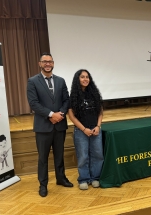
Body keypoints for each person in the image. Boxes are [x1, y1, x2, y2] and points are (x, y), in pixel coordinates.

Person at [27, 52, 73, 197]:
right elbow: (33, 103)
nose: (48, 64)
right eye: (45, 61)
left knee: (59, 155)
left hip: (59, 125)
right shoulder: (33, 81)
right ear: (40, 64)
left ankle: (61, 178)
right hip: (43, 127)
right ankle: (43, 184)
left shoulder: (61, 80)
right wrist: (50, 115)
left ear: (53, 63)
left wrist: (60, 114)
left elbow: (67, 100)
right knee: (43, 158)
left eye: (50, 61)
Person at [68, 69, 104, 190]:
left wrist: (98, 126)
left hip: (95, 130)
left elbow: (100, 112)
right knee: (83, 156)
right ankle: (83, 179)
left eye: (87, 77)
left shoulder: (94, 94)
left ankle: (95, 178)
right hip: (81, 132)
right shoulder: (73, 96)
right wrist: (84, 129)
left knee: (98, 155)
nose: (85, 79)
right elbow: (71, 116)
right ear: (77, 79)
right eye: (82, 77)